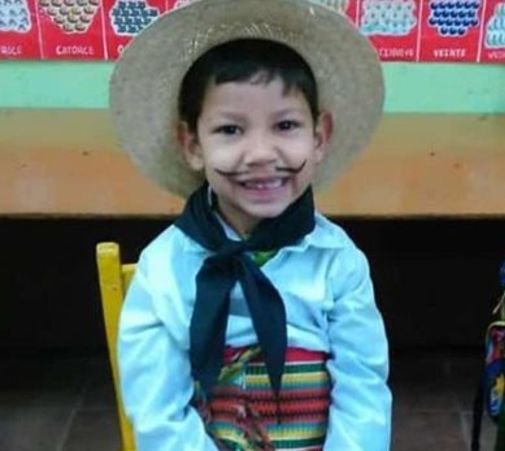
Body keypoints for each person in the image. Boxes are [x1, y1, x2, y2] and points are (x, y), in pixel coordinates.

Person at [110, 0, 391, 449]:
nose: (260, 154)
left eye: (286, 125)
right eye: (230, 130)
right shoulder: (163, 269)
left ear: (319, 137)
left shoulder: (339, 263)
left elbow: (364, 397)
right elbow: (159, 416)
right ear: (192, 144)